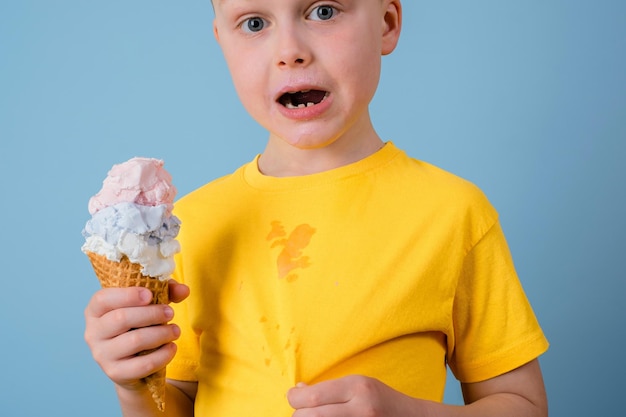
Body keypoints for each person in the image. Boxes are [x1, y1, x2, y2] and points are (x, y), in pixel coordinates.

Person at [84, 1, 549, 416]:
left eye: (323, 11)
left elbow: (524, 405)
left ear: (387, 23)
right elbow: (178, 403)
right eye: (253, 22)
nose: (290, 50)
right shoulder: (193, 223)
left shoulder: (454, 212)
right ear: (222, 42)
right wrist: (134, 385)